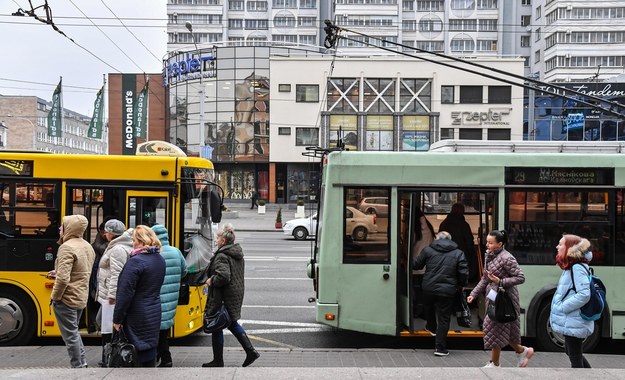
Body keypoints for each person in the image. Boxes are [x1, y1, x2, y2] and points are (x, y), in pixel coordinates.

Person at [467, 230, 534, 368]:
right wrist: (473, 294)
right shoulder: (489, 256)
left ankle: (495, 363)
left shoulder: (507, 258)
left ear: (500, 244)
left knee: (493, 328)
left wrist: (500, 281)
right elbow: (485, 279)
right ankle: (522, 351)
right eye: (487, 242)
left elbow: (521, 278)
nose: (487, 245)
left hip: (504, 300)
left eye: (490, 243)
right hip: (494, 298)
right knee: (502, 331)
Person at [202, 223, 260, 368]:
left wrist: (211, 280)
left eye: (218, 238)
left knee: (217, 324)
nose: (216, 240)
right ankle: (250, 352)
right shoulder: (236, 251)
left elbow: (224, 277)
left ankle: (218, 361)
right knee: (231, 322)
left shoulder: (222, 255)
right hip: (234, 293)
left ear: (223, 240)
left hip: (223, 296)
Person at [113, 225, 165, 367]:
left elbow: (124, 293)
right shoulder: (159, 259)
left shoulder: (136, 261)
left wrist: (117, 319)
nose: (133, 243)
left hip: (136, 314)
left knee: (135, 356)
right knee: (149, 353)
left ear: (142, 241)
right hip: (153, 311)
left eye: (135, 239)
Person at [47, 214, 95, 368]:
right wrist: (58, 272)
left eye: (63, 225)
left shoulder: (66, 247)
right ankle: (83, 363)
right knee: (74, 332)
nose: (60, 228)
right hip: (80, 296)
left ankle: (78, 366)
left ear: (70, 228)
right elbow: (81, 271)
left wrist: (55, 297)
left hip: (67, 298)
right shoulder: (87, 246)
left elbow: (63, 280)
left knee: (70, 336)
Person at [414, 231, 468, 356]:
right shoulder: (458, 253)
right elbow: (463, 272)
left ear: (436, 239)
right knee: (444, 318)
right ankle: (440, 348)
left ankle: (431, 327)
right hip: (447, 290)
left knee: (428, 307)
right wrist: (461, 285)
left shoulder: (428, 250)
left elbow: (417, 265)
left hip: (429, 288)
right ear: (450, 240)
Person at [550, 234, 594, 368]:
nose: (557, 247)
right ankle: (591, 375)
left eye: (561, 244)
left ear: (569, 248)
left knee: (574, 355)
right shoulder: (571, 265)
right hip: (573, 319)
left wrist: (564, 307)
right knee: (571, 352)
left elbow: (584, 294)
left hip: (574, 318)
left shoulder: (577, 267)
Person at [96, 219, 133, 366]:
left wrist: (112, 296)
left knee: (106, 326)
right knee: (106, 325)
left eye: (106, 231)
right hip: (109, 294)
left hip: (110, 296)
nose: (105, 234)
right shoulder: (119, 245)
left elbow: (116, 274)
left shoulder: (117, 249)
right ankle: (110, 356)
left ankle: (111, 357)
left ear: (111, 233)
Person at [152, 224, 187, 368]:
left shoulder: (154, 253)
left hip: (157, 296)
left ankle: (165, 358)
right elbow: (184, 271)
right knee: (164, 329)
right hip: (172, 296)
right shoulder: (176, 251)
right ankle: (160, 355)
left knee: (156, 330)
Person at [439, 203, 479, 283]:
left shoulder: (444, 224)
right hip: (462, 254)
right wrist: (472, 253)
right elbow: (469, 241)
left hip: (446, 254)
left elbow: (440, 239)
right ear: (462, 211)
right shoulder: (464, 224)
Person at [87, 221, 108, 333]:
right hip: (97, 268)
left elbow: (100, 248)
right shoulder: (101, 238)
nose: (104, 234)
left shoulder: (112, 243)